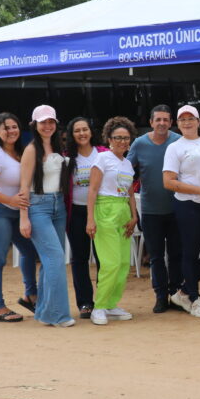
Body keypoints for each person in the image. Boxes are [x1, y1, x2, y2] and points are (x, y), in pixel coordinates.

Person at [0, 112, 39, 323]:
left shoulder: (22, 151)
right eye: (6, 128)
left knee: (30, 251)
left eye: (14, 126)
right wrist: (9, 200)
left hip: (16, 211)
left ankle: (30, 295)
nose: (11, 131)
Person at [162, 105, 200, 318]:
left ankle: (184, 291)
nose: (187, 122)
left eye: (191, 118)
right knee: (190, 251)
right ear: (177, 124)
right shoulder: (175, 147)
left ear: (198, 121)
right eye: (182, 119)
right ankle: (195, 299)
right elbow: (168, 182)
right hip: (188, 204)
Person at [19, 105, 74, 327]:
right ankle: (59, 315)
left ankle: (44, 311)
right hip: (38, 206)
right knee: (55, 260)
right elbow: (23, 186)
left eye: (51, 121)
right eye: (43, 122)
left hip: (58, 206)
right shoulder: (32, 150)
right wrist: (24, 217)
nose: (48, 126)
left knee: (52, 261)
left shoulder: (58, 146)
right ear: (34, 125)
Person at [129, 105, 183, 314]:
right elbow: (126, 170)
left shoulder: (179, 141)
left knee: (177, 254)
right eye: (157, 119)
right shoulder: (139, 144)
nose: (162, 123)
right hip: (151, 211)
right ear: (151, 122)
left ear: (171, 123)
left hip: (177, 208)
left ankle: (176, 293)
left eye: (166, 120)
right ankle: (161, 296)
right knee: (156, 257)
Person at [86, 117, 138, 325]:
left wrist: (134, 216)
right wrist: (90, 218)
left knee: (124, 263)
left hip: (123, 211)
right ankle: (98, 306)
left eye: (126, 138)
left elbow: (131, 192)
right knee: (111, 262)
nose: (122, 142)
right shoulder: (102, 159)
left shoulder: (127, 163)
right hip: (105, 210)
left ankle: (111, 303)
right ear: (109, 139)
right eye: (118, 138)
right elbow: (92, 189)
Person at [64, 117, 108, 319]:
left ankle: (103, 300)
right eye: (77, 131)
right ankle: (85, 303)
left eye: (85, 129)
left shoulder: (104, 153)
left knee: (103, 258)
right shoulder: (66, 157)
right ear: (71, 135)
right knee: (80, 259)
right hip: (77, 213)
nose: (82, 133)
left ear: (91, 131)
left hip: (102, 212)